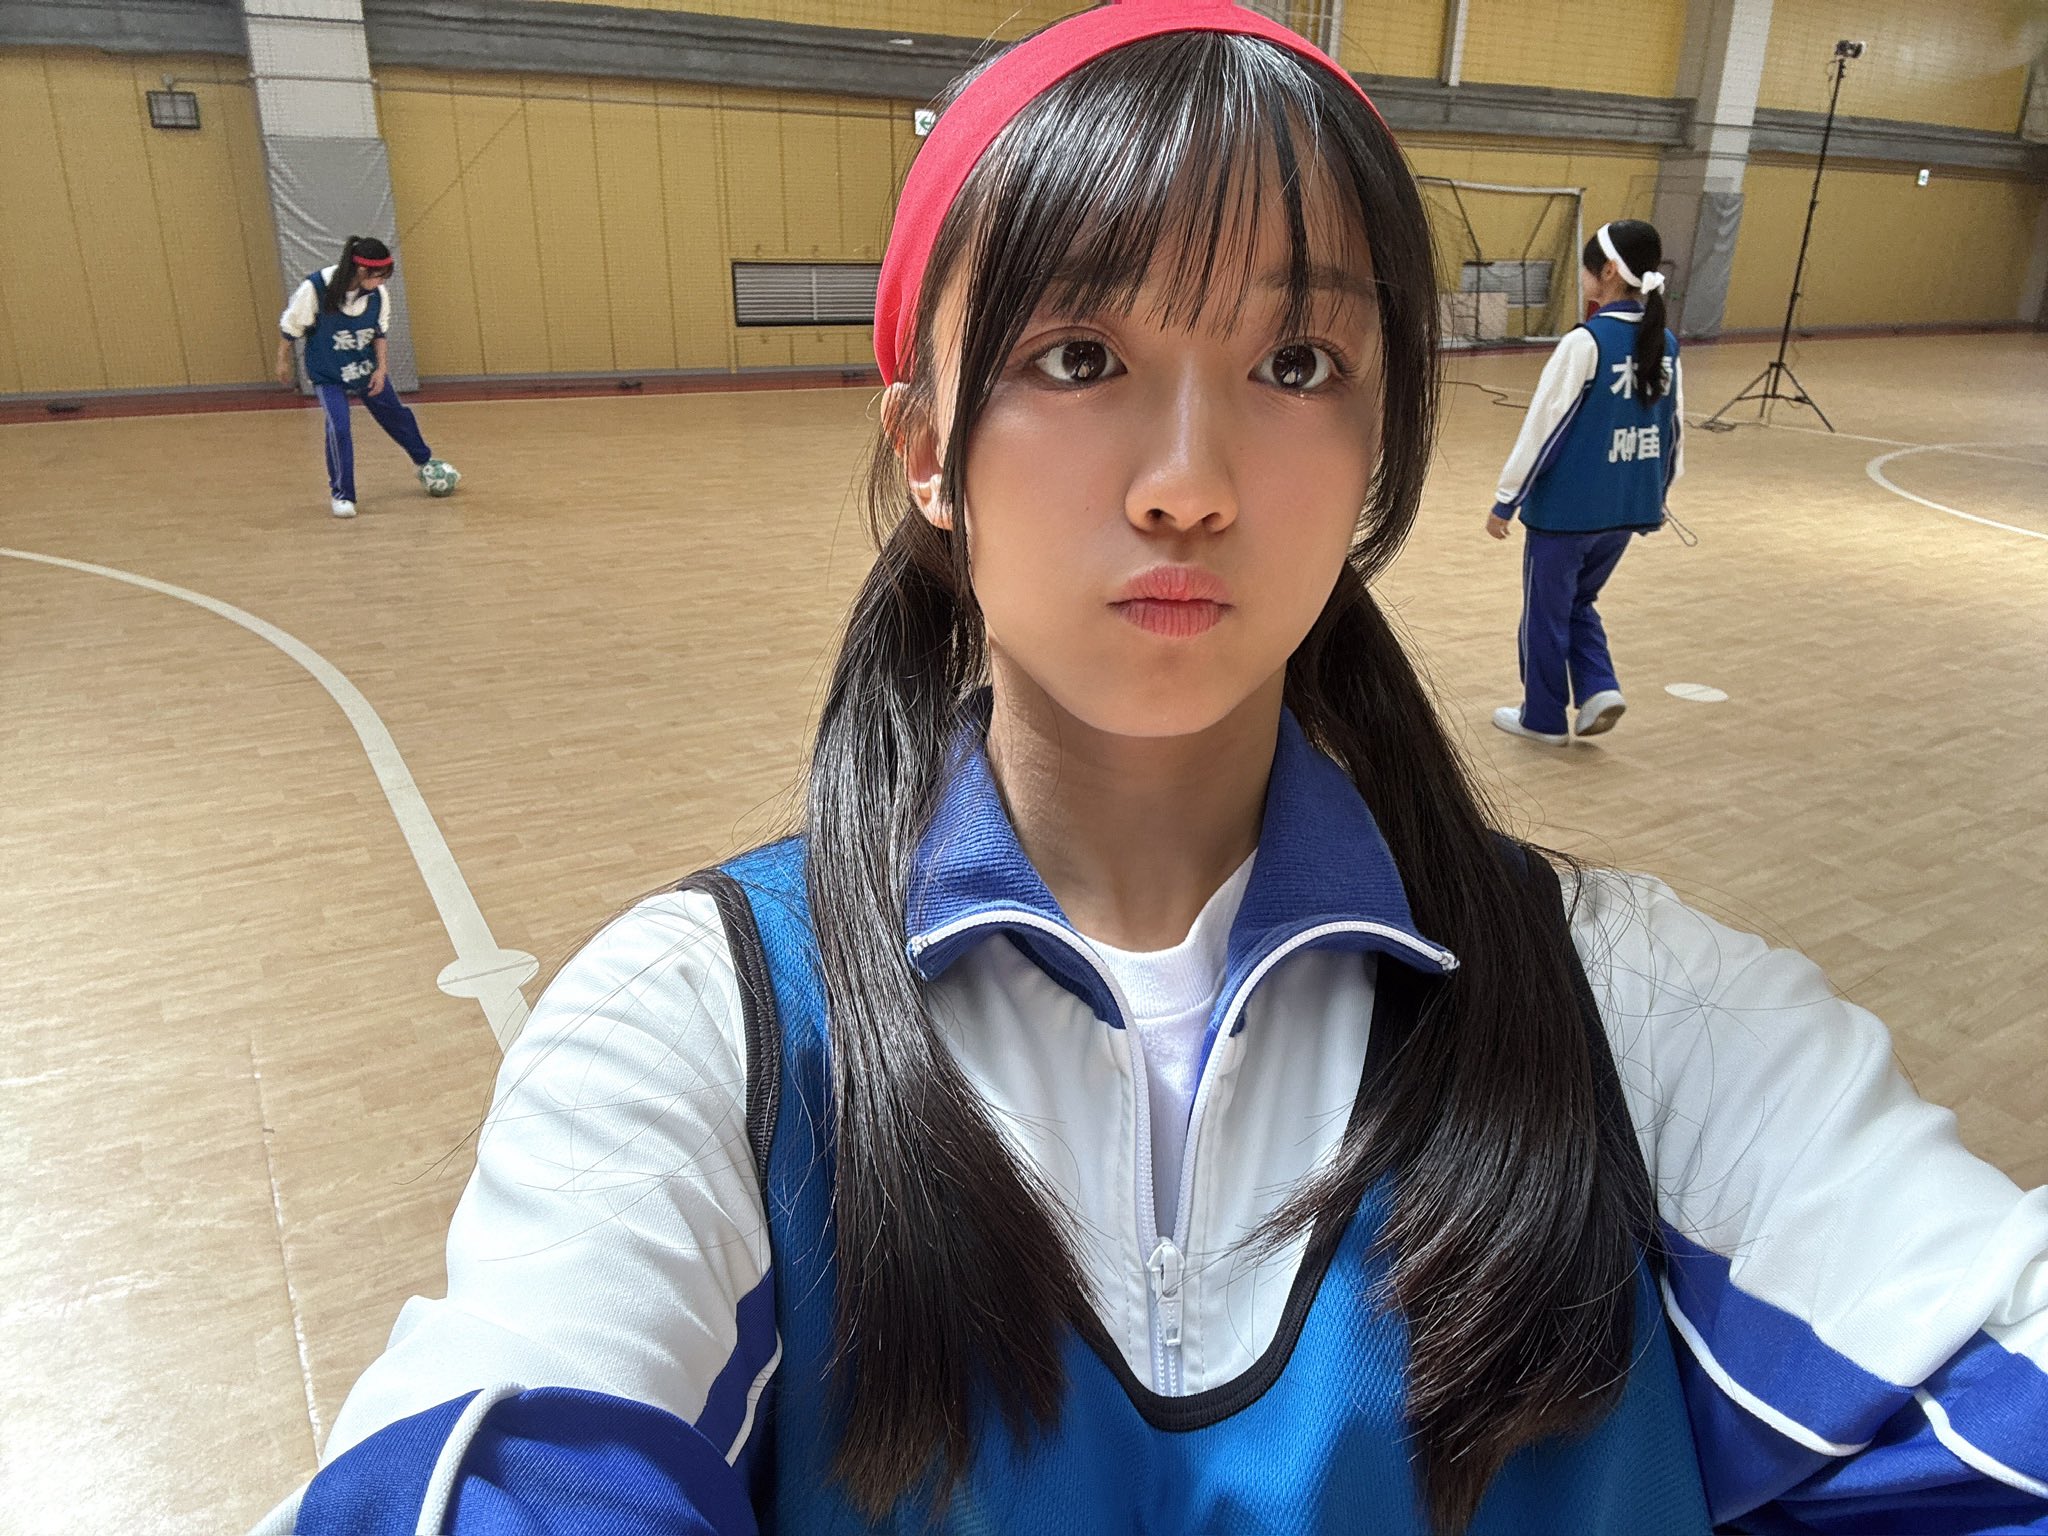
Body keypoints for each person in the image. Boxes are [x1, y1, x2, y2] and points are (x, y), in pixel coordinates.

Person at [249, 6, 2046, 1534]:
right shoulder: (704, 1033)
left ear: (1376, 446)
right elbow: (506, 1443)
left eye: (1294, 361)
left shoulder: (1633, 1016)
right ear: (927, 448)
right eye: (1080, 355)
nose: (1188, 480)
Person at [1485, 219, 1680, 745]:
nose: (1584, 275)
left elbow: (1544, 429)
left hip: (1567, 512)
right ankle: (1598, 688)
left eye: (1590, 267)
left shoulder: (1585, 342)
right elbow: (1672, 431)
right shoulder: (1665, 343)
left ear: (1609, 271)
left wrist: (1507, 499)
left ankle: (1542, 718)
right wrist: (1657, 497)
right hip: (1625, 509)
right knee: (1578, 603)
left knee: (1545, 615)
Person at [275, 235, 456, 519]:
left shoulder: (378, 295)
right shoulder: (316, 288)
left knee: (396, 414)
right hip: (328, 372)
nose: (382, 282)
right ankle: (342, 494)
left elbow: (379, 334)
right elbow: (291, 328)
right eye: (379, 276)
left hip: (364, 368)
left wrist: (382, 369)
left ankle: (425, 462)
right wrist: (282, 361)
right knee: (339, 427)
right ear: (361, 271)